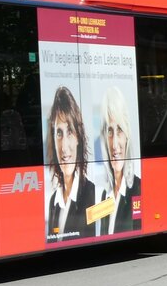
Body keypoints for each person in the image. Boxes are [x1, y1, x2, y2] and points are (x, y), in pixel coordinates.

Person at [45, 85, 97, 243]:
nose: (64, 146)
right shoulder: (54, 201)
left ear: (78, 139)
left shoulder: (91, 194)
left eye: (70, 132)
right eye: (59, 133)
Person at [98, 86, 141, 235]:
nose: (115, 144)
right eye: (109, 131)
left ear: (127, 135)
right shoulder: (106, 195)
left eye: (120, 130)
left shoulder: (138, 188)